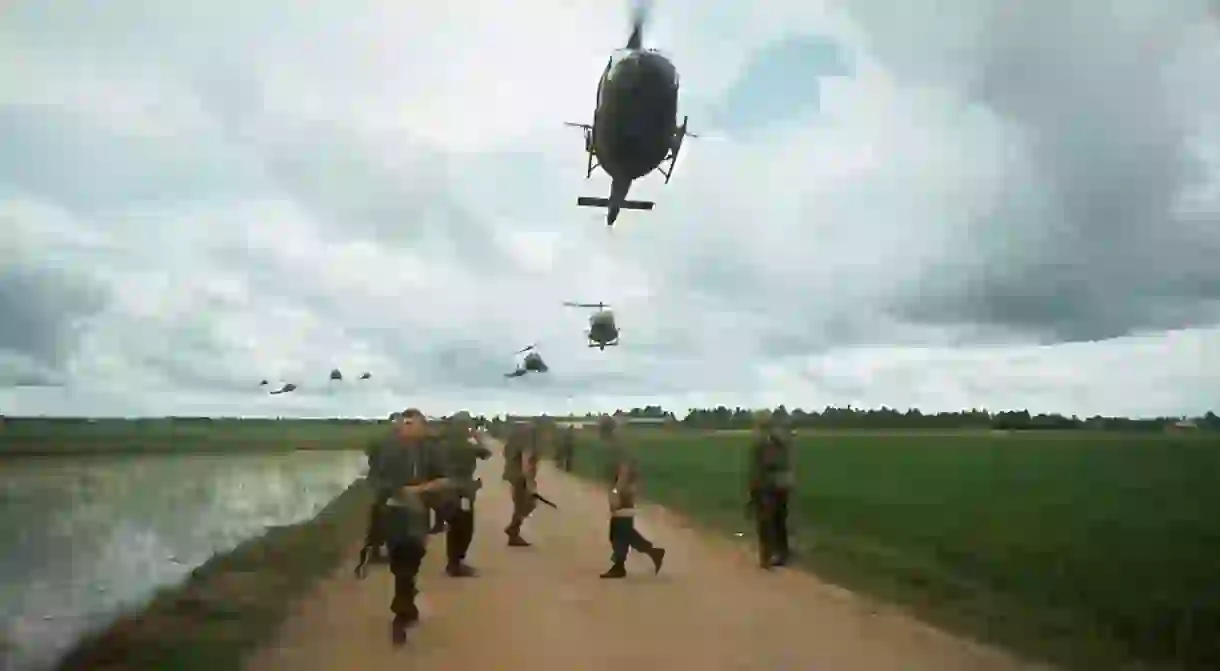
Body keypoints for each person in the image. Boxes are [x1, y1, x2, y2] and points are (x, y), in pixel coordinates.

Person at [366, 408, 451, 646]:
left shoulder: (431, 450)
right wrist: (392, 491)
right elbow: (374, 478)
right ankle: (402, 609)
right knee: (398, 559)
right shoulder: (387, 450)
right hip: (393, 512)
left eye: (413, 424)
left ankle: (405, 598)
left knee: (413, 557)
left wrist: (420, 490)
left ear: (423, 427)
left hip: (418, 514)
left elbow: (444, 479)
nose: (407, 428)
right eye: (405, 423)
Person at [598, 414, 665, 579]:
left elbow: (624, 469)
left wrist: (616, 492)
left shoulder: (617, 444)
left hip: (623, 491)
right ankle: (649, 553)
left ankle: (624, 564)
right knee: (622, 529)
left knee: (620, 530)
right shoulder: (615, 443)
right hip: (623, 490)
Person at [440, 411, 492, 577]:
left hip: (446, 490)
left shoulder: (444, 444)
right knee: (465, 527)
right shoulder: (466, 446)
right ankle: (455, 563)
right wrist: (477, 436)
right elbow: (486, 453)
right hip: (461, 491)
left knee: (454, 527)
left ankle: (453, 562)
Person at [747, 410, 793, 569]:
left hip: (767, 484)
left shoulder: (762, 441)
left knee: (766, 521)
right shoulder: (780, 438)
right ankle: (781, 552)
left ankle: (767, 555)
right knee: (779, 520)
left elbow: (762, 465)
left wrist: (754, 487)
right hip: (782, 483)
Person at [502, 422, 540, 547]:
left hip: (513, 476)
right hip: (520, 477)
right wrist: (529, 481)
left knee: (521, 503)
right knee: (526, 503)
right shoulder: (527, 442)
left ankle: (513, 531)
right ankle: (513, 529)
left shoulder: (513, 443)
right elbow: (526, 460)